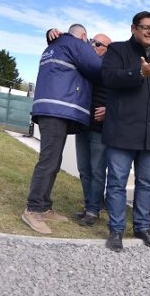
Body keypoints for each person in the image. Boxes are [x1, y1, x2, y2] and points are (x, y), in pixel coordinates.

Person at [101, 11, 150, 252]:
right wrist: (139, 74)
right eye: (145, 27)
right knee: (116, 183)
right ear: (133, 28)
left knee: (147, 183)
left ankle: (142, 227)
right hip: (122, 131)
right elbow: (108, 77)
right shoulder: (117, 50)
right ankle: (116, 230)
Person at [22, 24, 102, 234]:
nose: (91, 44)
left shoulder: (53, 45)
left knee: (53, 159)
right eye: (91, 40)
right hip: (58, 108)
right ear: (83, 36)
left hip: (51, 107)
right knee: (49, 161)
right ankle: (33, 210)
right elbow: (98, 69)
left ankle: (44, 206)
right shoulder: (76, 44)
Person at [74, 33, 112, 227]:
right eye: (91, 42)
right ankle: (89, 205)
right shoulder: (87, 65)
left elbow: (122, 95)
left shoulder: (112, 67)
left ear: (108, 47)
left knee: (97, 170)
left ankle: (93, 210)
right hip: (81, 124)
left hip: (100, 128)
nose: (93, 46)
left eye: (97, 44)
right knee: (83, 169)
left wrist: (109, 110)